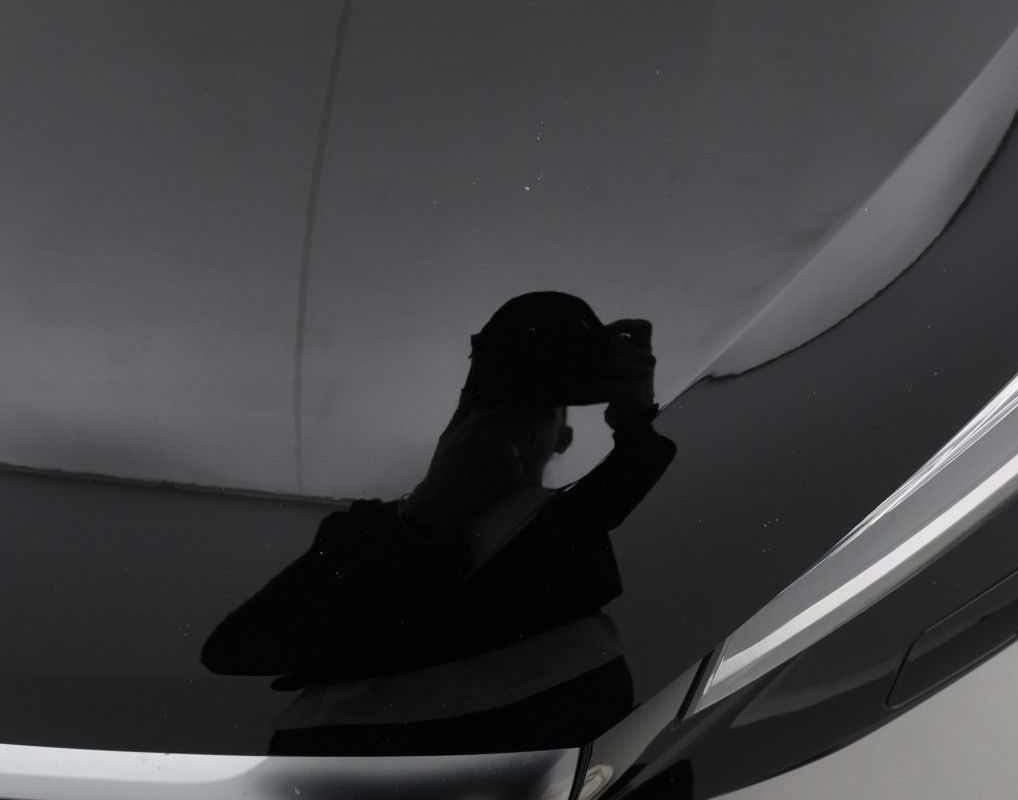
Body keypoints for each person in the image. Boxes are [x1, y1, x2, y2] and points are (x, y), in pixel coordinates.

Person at [199, 292, 675, 750]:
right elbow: (235, 648)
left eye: (542, 405)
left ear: (563, 437)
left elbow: (611, 495)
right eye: (495, 401)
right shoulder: (367, 528)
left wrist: (637, 423)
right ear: (459, 419)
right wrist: (424, 515)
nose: (518, 414)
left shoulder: (569, 527)